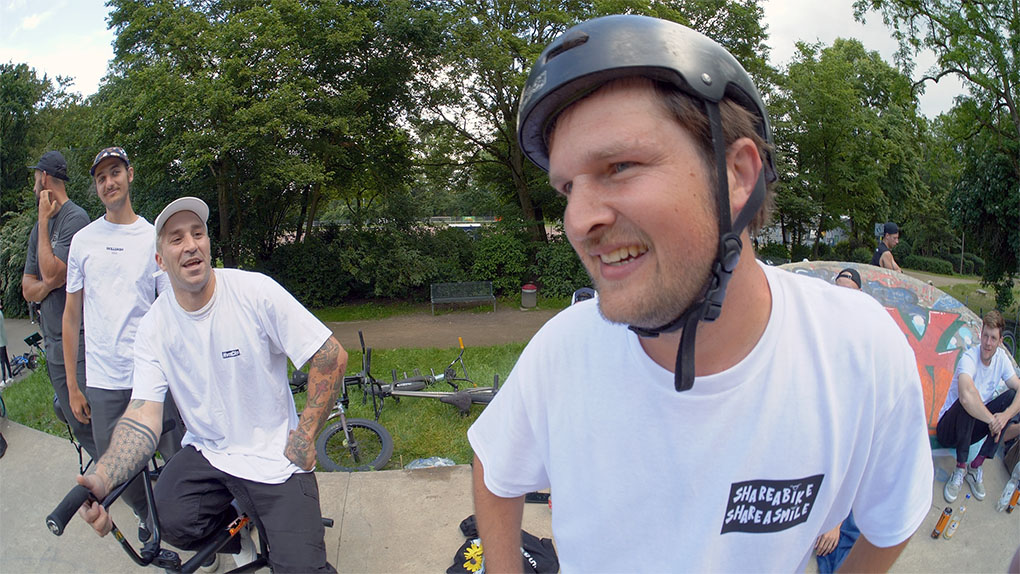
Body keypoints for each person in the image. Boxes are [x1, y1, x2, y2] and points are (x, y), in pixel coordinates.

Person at [468, 15, 932, 572]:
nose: (578, 220)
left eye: (619, 166)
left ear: (737, 174)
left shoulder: (860, 352)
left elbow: (892, 522)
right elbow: (495, 465)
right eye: (568, 187)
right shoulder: (562, 351)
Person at [75, 197, 347, 572]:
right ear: (160, 261)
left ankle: (272, 527)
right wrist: (102, 479)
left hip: (275, 459)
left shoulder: (254, 292)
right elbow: (142, 417)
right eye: (176, 239)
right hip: (210, 453)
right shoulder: (154, 326)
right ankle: (238, 534)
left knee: (302, 569)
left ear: (207, 244)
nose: (190, 245)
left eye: (198, 234)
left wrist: (305, 435)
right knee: (167, 522)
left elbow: (330, 355)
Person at [62, 146, 183, 541]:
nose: (108, 182)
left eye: (115, 172)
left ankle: (200, 525)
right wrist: (73, 385)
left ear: (130, 174)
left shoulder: (152, 238)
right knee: (117, 470)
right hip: (104, 382)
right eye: (101, 177)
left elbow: (172, 309)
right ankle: (150, 517)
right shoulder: (83, 241)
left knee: (180, 459)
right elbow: (71, 316)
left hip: (152, 376)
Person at [21, 150, 97, 460]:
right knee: (75, 421)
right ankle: (114, 474)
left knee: (88, 417)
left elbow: (51, 272)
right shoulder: (38, 229)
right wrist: (48, 285)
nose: (34, 184)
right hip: (51, 343)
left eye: (35, 177)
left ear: (45, 178)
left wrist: (43, 223)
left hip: (77, 341)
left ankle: (120, 477)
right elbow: (28, 289)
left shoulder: (75, 218)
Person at [936, 309, 1020, 503]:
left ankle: (975, 466)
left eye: (993, 338)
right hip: (948, 429)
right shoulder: (969, 358)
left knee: (1011, 396)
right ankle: (960, 468)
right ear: (980, 335)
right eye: (985, 336)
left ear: (1000, 341)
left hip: (971, 431)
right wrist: (993, 421)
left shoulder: (1001, 359)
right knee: (970, 398)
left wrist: (1004, 417)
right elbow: (966, 397)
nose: (988, 343)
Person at [0, 301, 11, 386]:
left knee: (2, 360)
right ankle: (10, 376)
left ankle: (4, 379)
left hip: (1, 341)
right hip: (2, 340)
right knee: (5, 359)